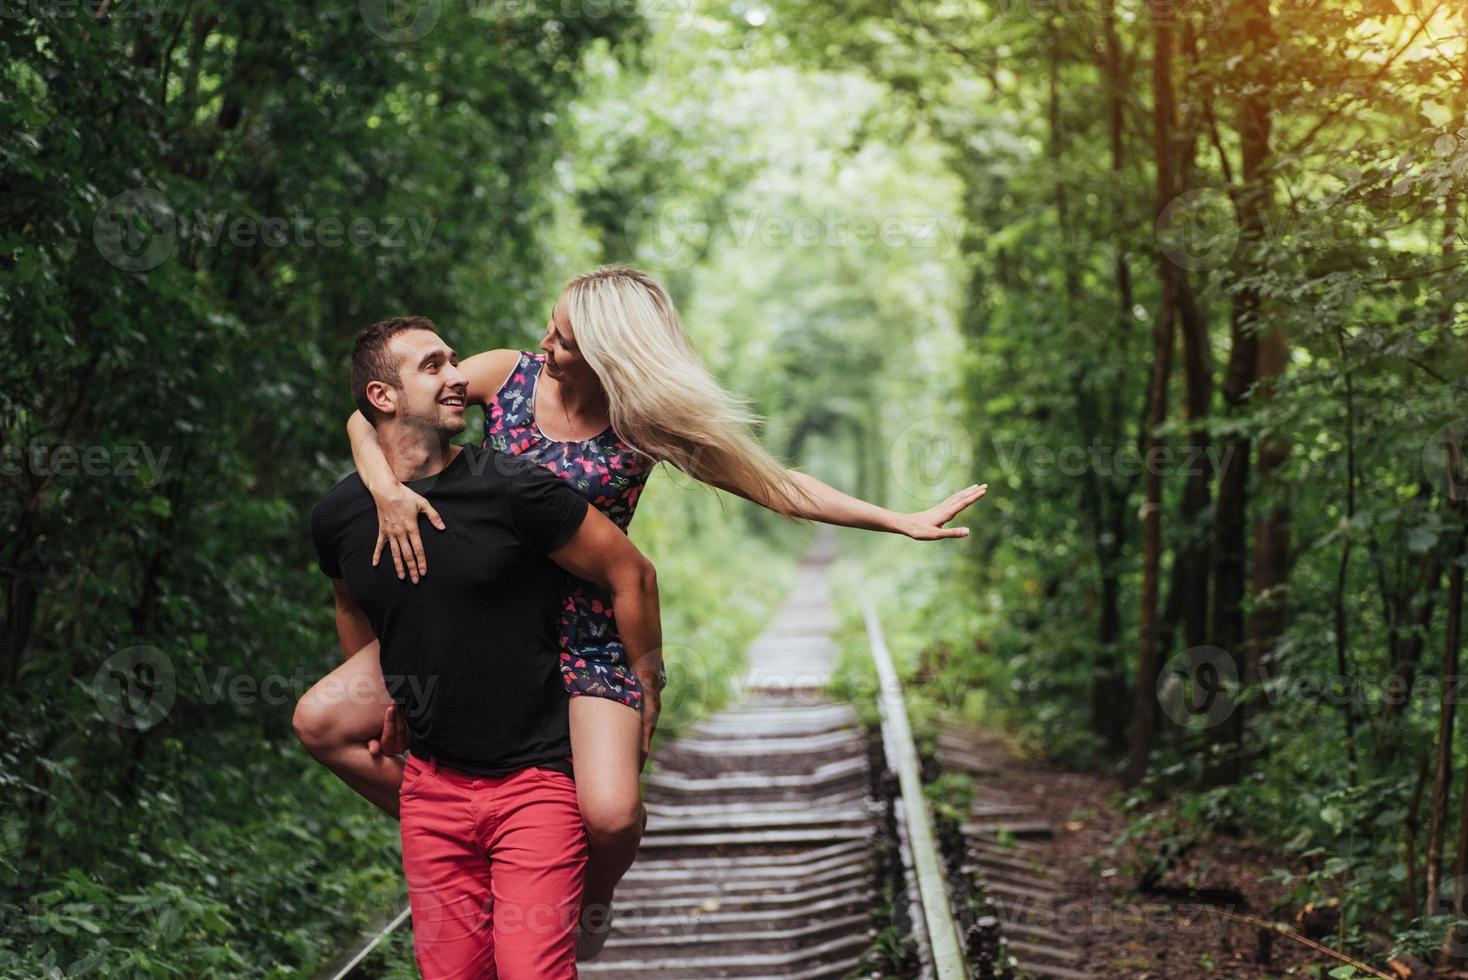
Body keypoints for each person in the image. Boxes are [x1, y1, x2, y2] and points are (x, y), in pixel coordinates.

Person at [293, 266, 987, 958]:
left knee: (613, 813)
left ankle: (582, 899)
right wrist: (384, 489)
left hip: (586, 623)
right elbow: (377, 409)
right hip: (475, 606)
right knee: (324, 721)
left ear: (604, 352)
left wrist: (898, 519)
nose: (543, 343)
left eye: (561, 338)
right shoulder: (506, 376)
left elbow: (779, 487)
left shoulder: (642, 422)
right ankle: (478, 839)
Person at [303, 316, 661, 977]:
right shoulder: (338, 518)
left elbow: (630, 573)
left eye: (454, 363)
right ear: (383, 398)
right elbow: (354, 604)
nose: (459, 378)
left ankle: (583, 884)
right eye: (433, 367)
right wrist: (400, 683)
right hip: (434, 795)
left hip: (536, 782)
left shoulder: (515, 488)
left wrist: (646, 684)